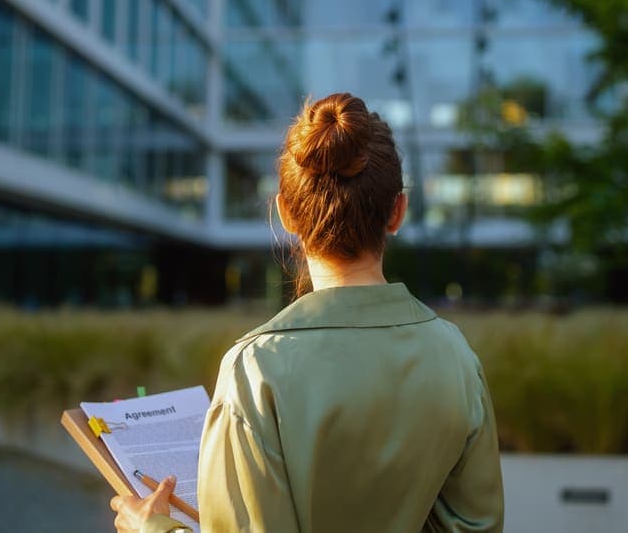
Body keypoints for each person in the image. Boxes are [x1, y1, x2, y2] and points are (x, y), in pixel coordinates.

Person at [111, 92, 504, 532]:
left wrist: (153, 527)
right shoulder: (455, 356)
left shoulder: (256, 368)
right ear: (397, 212)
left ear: (286, 214)